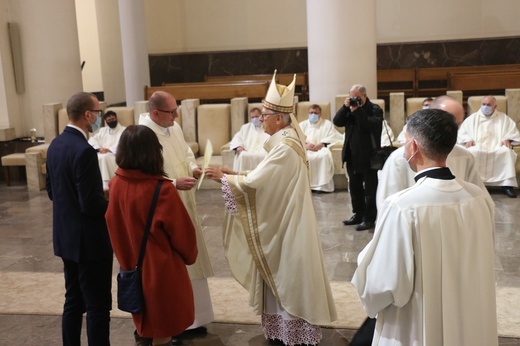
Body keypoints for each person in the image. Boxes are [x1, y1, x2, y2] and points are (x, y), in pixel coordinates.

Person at [205, 72, 337, 346]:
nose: (260, 119)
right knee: (283, 271)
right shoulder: (287, 138)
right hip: (287, 217)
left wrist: (226, 178)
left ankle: (292, 330)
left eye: (265, 115)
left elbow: (258, 183)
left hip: (287, 224)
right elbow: (269, 177)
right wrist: (237, 173)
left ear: (279, 118)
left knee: (286, 271)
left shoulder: (286, 146)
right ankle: (282, 329)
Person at [352, 108, 498, 345]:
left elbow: (383, 283)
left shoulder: (403, 207)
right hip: (468, 315)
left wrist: (365, 261)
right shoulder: (480, 198)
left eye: (406, 141)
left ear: (413, 147)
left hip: (417, 323)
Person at [106, 125, 198, 346]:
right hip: (162, 272)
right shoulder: (162, 189)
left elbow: (112, 223)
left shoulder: (116, 184)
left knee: (145, 324)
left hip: (131, 267)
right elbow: (184, 236)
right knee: (163, 330)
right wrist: (190, 256)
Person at [139, 91, 214, 338]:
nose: (176, 116)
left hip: (183, 201)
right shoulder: (142, 135)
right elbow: (142, 177)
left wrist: (192, 167)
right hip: (162, 206)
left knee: (190, 257)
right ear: (155, 113)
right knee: (173, 265)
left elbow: (185, 153)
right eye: (171, 112)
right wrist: (172, 183)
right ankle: (175, 323)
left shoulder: (173, 126)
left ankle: (193, 319)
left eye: (176, 110)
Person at [45, 92, 113, 346]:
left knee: (73, 300)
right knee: (97, 307)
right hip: (89, 242)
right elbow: (90, 204)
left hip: (66, 238)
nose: (99, 116)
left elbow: (54, 191)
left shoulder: (56, 144)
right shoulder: (84, 150)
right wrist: (109, 200)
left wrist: (96, 194)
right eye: (97, 111)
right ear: (87, 115)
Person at [377, 95, 486, 210]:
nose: (451, 130)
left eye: (457, 124)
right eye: (447, 123)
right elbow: (387, 205)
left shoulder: (465, 156)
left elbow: (479, 201)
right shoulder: (399, 158)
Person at [333, 84, 383, 231]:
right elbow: (337, 122)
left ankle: (369, 218)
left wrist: (358, 111)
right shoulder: (349, 109)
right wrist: (345, 107)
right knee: (355, 189)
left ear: (364, 96)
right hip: (352, 155)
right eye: (351, 97)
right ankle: (358, 214)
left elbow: (372, 126)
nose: (354, 100)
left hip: (368, 157)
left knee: (370, 190)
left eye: (357, 97)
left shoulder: (374, 109)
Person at [458, 95, 520, 198]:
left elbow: (512, 132)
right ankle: (474, 184)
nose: (485, 107)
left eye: (488, 105)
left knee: (506, 152)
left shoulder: (503, 119)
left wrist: (507, 138)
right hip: (478, 146)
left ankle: (507, 186)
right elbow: (462, 133)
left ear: (495, 107)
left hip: (497, 146)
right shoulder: (472, 118)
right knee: (472, 152)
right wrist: (467, 139)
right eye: (483, 104)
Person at [299, 104, 343, 192]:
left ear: (320, 114)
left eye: (316, 113)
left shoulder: (327, 124)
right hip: (306, 149)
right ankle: (306, 186)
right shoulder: (302, 125)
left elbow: (334, 136)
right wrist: (305, 145)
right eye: (311, 112)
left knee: (323, 157)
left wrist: (322, 144)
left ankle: (322, 187)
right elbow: (297, 137)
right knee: (303, 157)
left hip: (320, 149)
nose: (313, 115)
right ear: (308, 113)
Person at [88, 110, 126, 189]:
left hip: (116, 155)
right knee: (96, 157)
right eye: (109, 120)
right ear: (106, 121)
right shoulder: (103, 130)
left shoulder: (124, 130)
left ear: (116, 119)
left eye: (113, 119)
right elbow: (92, 140)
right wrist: (99, 148)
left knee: (104, 157)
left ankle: (106, 184)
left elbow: (124, 144)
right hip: (103, 153)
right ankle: (99, 182)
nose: (111, 121)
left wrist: (109, 149)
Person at [228, 107, 269, 171]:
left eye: (256, 116)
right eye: (252, 117)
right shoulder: (245, 127)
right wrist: (238, 146)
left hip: (262, 152)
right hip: (247, 151)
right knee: (242, 155)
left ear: (261, 116)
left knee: (265, 156)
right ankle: (242, 179)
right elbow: (237, 138)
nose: (254, 119)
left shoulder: (267, 127)